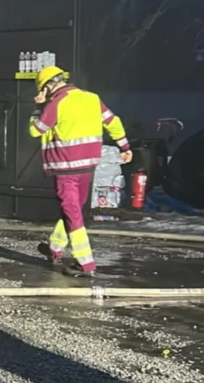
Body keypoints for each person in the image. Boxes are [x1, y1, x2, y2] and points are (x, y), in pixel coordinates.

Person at [30, 66, 131, 276]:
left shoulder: (56, 103)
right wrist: (125, 146)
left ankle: (86, 263)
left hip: (65, 168)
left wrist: (37, 108)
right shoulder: (92, 98)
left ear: (48, 86)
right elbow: (113, 121)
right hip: (88, 166)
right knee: (73, 209)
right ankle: (54, 249)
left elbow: (35, 130)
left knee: (72, 212)